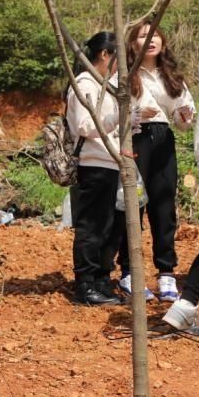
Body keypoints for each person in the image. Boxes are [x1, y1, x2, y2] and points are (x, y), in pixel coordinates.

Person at [118, 21, 193, 302]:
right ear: (133, 42)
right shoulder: (125, 73)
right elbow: (114, 112)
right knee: (132, 207)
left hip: (164, 139)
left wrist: (184, 116)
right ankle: (128, 273)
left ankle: (166, 273)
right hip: (135, 139)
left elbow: (182, 117)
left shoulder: (170, 75)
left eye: (155, 36)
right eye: (142, 35)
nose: (150, 40)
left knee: (164, 207)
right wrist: (137, 113)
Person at [68, 32, 123, 306]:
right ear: (105, 54)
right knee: (91, 226)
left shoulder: (103, 85)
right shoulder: (84, 84)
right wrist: (118, 118)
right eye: (118, 58)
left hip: (108, 162)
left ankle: (100, 281)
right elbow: (85, 126)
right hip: (93, 164)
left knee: (106, 226)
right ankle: (85, 286)